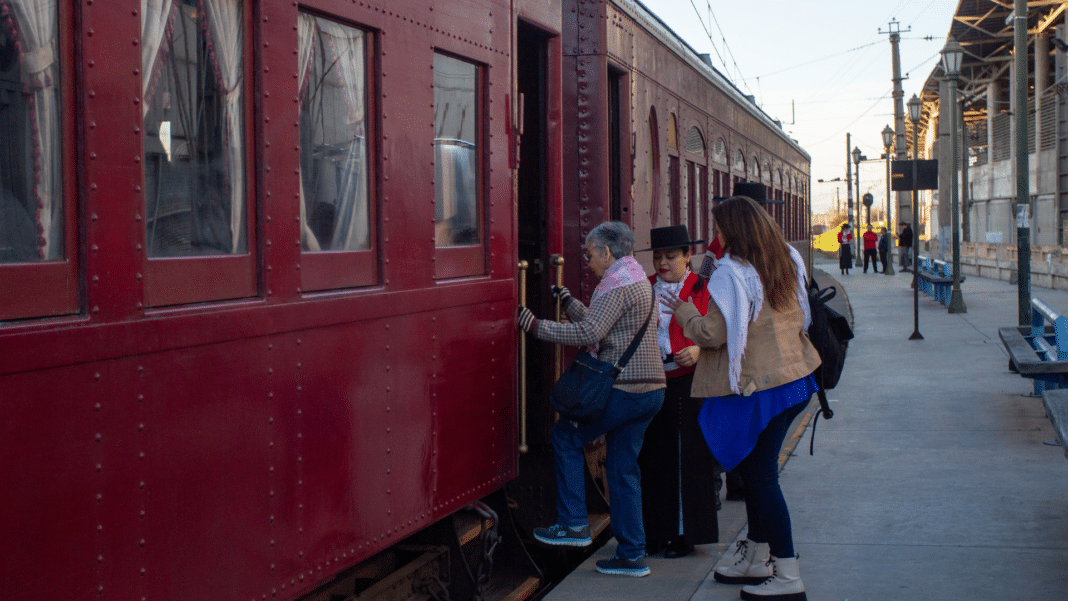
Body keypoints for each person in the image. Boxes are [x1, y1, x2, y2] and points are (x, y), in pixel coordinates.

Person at [661, 195, 822, 600]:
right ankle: (757, 557)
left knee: (763, 477)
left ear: (734, 231)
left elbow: (712, 334)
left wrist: (681, 311)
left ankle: (787, 574)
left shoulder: (731, 273)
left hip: (760, 387)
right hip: (794, 379)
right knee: (755, 474)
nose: (716, 238)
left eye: (719, 229)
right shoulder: (784, 258)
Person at [517, 221, 666, 578]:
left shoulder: (614, 285)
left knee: (565, 437)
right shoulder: (635, 280)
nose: (588, 261)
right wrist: (570, 303)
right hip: (651, 391)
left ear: (607, 252)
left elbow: (590, 332)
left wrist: (535, 326)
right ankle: (632, 556)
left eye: (589, 254)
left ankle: (572, 525)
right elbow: (607, 324)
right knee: (622, 470)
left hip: (625, 391)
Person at [636, 225, 719, 559]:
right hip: (652, 380)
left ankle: (685, 534)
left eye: (670, 256)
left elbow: (719, 331)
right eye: (657, 256)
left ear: (688, 257)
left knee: (688, 459)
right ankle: (656, 531)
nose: (663, 262)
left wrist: (698, 348)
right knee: (653, 457)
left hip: (689, 381)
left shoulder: (703, 289)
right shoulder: (645, 288)